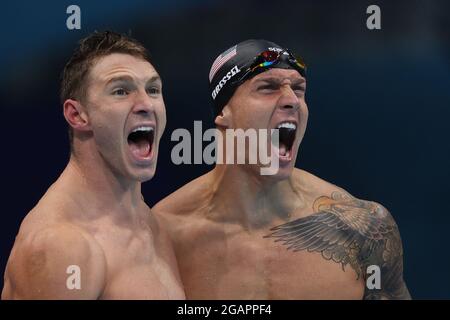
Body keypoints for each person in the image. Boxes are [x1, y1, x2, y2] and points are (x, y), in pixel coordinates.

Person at [154, 39, 411, 299]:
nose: (292, 100)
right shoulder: (161, 234)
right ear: (224, 113)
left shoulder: (364, 227)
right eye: (268, 87)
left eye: (299, 90)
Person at [2, 31, 185, 299]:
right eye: (121, 91)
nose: (146, 104)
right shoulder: (62, 249)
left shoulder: (148, 221)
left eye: (153, 89)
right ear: (77, 115)